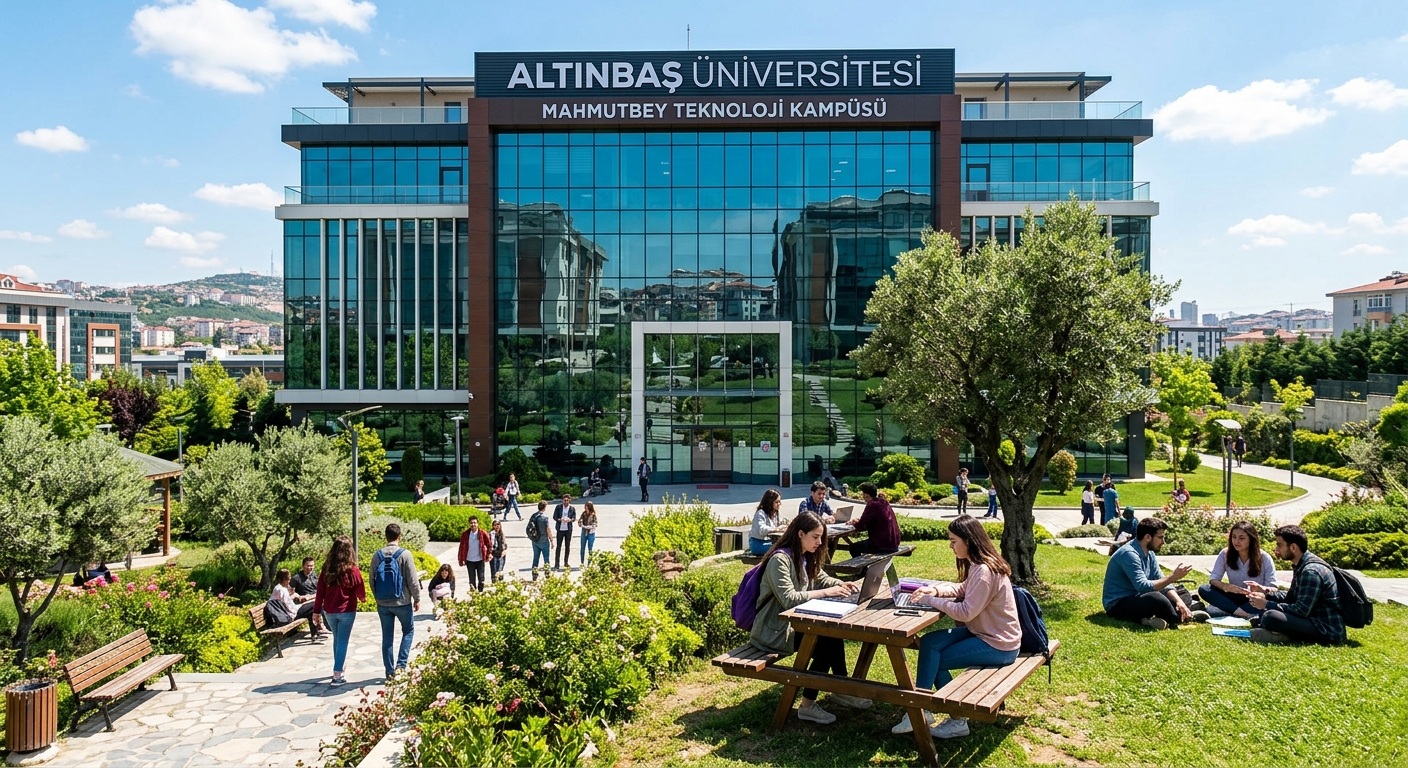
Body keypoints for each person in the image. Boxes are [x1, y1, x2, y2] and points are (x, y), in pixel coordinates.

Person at [897, 515, 1021, 739]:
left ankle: (955, 720)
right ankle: (923, 709)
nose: (950, 545)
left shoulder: (984, 571)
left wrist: (930, 601)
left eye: (954, 540)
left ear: (969, 540)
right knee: (929, 642)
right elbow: (963, 588)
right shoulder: (979, 565)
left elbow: (965, 612)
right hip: (984, 634)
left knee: (937, 661)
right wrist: (934, 591)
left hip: (999, 644)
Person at [749, 511, 866, 725]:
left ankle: (841, 689)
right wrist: (826, 593)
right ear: (800, 534)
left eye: (821, 537)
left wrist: (841, 585)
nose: (820, 542)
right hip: (774, 631)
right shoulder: (780, 560)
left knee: (831, 636)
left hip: (792, 627)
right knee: (826, 641)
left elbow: (821, 578)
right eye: (816, 537)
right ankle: (808, 705)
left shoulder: (805, 556)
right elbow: (789, 599)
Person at [1102, 517, 1206, 629]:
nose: (1164, 542)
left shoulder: (1149, 553)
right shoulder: (1129, 554)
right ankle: (1180, 617)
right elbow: (1142, 586)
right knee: (1156, 598)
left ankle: (1151, 620)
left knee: (1179, 593)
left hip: (1138, 598)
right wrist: (1173, 576)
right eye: (1160, 537)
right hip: (1118, 605)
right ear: (1148, 537)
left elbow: (1161, 580)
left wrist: (1179, 601)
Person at [1247, 525, 1345, 644]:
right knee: (1268, 614)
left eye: (1279, 545)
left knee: (1271, 616)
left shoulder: (1311, 572)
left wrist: (1266, 604)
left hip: (1326, 629)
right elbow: (1292, 596)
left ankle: (1282, 635)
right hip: (1312, 620)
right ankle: (1278, 631)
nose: (1276, 549)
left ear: (1293, 547)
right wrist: (1265, 592)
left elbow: (1301, 610)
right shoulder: (1302, 565)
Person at [312, 535, 364, 686]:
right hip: (347, 610)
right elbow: (359, 586)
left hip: (329, 611)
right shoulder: (352, 569)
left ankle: (338, 667)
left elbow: (320, 592)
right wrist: (362, 598)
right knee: (342, 641)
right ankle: (337, 675)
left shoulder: (326, 568)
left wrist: (316, 611)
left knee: (337, 639)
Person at [1197, 521, 1276, 619]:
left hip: (1254, 599)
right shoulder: (1225, 554)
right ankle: (1243, 614)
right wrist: (1227, 587)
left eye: (1241, 538)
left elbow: (1273, 589)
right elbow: (1213, 579)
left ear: (1251, 539)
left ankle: (1231, 611)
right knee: (1204, 589)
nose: (1236, 541)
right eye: (1234, 537)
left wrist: (1260, 589)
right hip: (1233, 596)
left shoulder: (1264, 557)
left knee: (1213, 611)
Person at [373, 523, 421, 679]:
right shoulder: (405, 554)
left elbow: (371, 580)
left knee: (387, 637)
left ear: (385, 536)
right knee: (408, 631)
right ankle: (401, 665)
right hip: (402, 602)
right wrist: (417, 598)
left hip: (383, 604)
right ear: (399, 536)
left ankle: (389, 671)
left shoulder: (377, 555)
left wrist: (378, 598)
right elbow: (412, 580)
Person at [848, 482, 901, 557]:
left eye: (862, 494)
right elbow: (875, 520)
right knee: (862, 546)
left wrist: (853, 523)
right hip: (894, 543)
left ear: (866, 495)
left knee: (853, 547)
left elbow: (860, 526)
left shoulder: (872, 504)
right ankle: (866, 568)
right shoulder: (883, 502)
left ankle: (862, 569)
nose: (862, 496)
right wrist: (860, 522)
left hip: (883, 545)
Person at [269, 568, 321, 632]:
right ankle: (316, 632)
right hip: (290, 615)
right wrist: (296, 610)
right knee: (313, 606)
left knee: (311, 609)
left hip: (291, 611)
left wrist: (294, 597)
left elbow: (285, 600)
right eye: (288, 579)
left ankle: (315, 633)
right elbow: (287, 605)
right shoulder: (280, 590)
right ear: (284, 580)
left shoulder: (280, 587)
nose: (289, 581)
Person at [458, 516, 491, 592]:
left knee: (481, 579)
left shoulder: (482, 533)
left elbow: (489, 544)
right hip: (469, 560)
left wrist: (488, 554)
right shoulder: (465, 534)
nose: (473, 524)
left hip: (480, 559)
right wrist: (461, 559)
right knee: (472, 580)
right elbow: (461, 547)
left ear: (477, 524)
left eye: (475, 523)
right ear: (469, 524)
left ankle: (480, 592)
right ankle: (473, 595)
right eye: (471, 523)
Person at [750, 489, 785, 555]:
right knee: (781, 548)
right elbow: (761, 529)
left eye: (780, 502)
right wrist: (775, 529)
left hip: (769, 542)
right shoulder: (760, 513)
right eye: (776, 502)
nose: (779, 504)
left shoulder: (774, 513)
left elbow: (780, 524)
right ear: (770, 502)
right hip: (758, 544)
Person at [553, 494, 577, 571]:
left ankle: (566, 562)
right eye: (564, 500)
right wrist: (560, 519)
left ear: (569, 500)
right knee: (558, 546)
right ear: (562, 500)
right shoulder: (558, 507)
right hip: (560, 529)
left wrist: (570, 520)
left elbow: (574, 517)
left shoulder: (572, 508)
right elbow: (554, 517)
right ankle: (557, 563)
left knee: (567, 546)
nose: (566, 502)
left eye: (567, 500)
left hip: (568, 529)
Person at [528, 500, 552, 579]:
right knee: (546, 558)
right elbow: (548, 529)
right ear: (544, 508)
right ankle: (547, 574)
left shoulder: (533, 516)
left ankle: (534, 575)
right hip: (544, 539)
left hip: (535, 540)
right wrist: (551, 540)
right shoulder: (544, 518)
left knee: (535, 558)